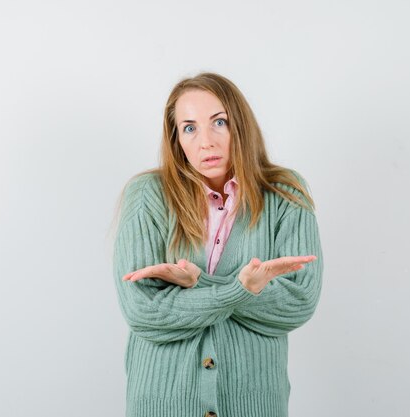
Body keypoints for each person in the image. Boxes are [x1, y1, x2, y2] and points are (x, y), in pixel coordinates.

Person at [111, 72, 324, 417]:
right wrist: (242, 289)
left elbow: (298, 301)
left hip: (254, 404)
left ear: (240, 125)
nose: (205, 142)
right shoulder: (148, 195)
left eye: (219, 122)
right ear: (176, 138)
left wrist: (197, 284)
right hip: (163, 403)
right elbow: (142, 311)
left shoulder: (285, 194)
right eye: (190, 128)